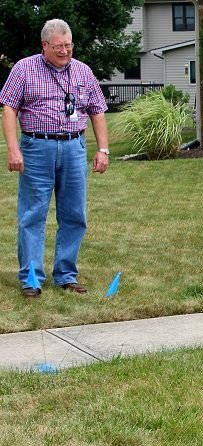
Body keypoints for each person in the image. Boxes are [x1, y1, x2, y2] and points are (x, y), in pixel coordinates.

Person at [1, 19, 109, 298]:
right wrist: (13, 149)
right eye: (58, 46)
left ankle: (65, 275)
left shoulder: (83, 71)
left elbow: (97, 110)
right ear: (44, 45)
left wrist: (103, 149)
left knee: (74, 214)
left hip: (74, 148)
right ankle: (32, 279)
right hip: (37, 147)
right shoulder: (24, 69)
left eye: (68, 45)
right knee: (33, 214)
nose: (64, 51)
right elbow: (9, 109)